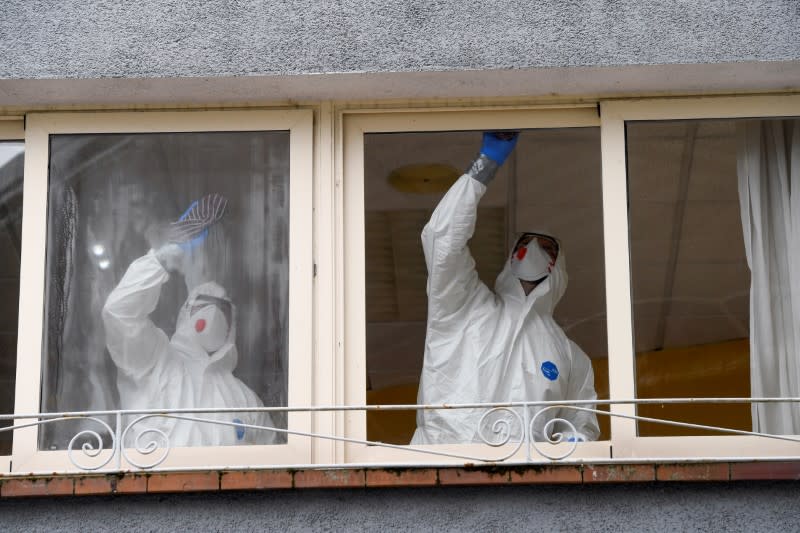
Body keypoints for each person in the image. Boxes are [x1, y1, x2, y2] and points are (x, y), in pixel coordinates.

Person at [411, 132, 600, 445]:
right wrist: (485, 165)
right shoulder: (464, 306)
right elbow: (441, 240)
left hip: (524, 484)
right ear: (512, 255)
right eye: (525, 243)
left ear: (559, 268)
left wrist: (575, 442)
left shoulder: (570, 357)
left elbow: (581, 424)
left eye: (546, 247)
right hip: (440, 465)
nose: (533, 250)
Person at [102, 195, 276, 447]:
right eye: (202, 302)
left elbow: (273, 466)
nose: (214, 313)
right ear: (185, 311)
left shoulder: (245, 400)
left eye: (224, 305)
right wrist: (164, 254)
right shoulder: (155, 362)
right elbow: (119, 312)